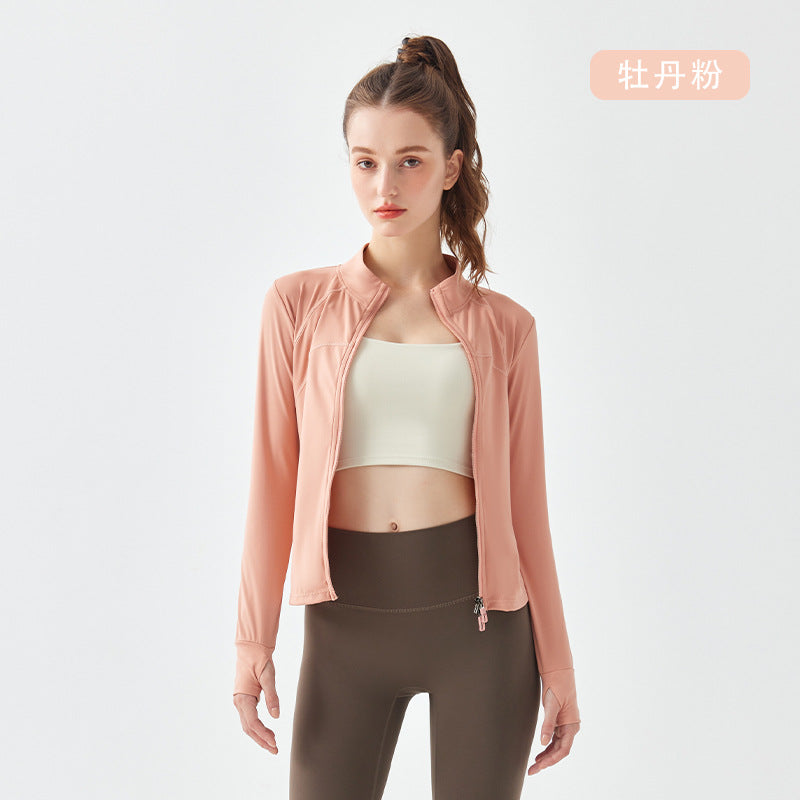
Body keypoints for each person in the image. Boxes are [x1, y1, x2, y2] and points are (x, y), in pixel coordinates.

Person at [232, 34, 581, 800]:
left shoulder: (506, 328)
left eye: (410, 161)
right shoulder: (296, 307)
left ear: (451, 167)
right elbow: (273, 482)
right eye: (365, 162)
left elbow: (528, 508)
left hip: (480, 630)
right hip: (344, 626)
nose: (384, 185)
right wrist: (253, 640)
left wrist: (557, 665)